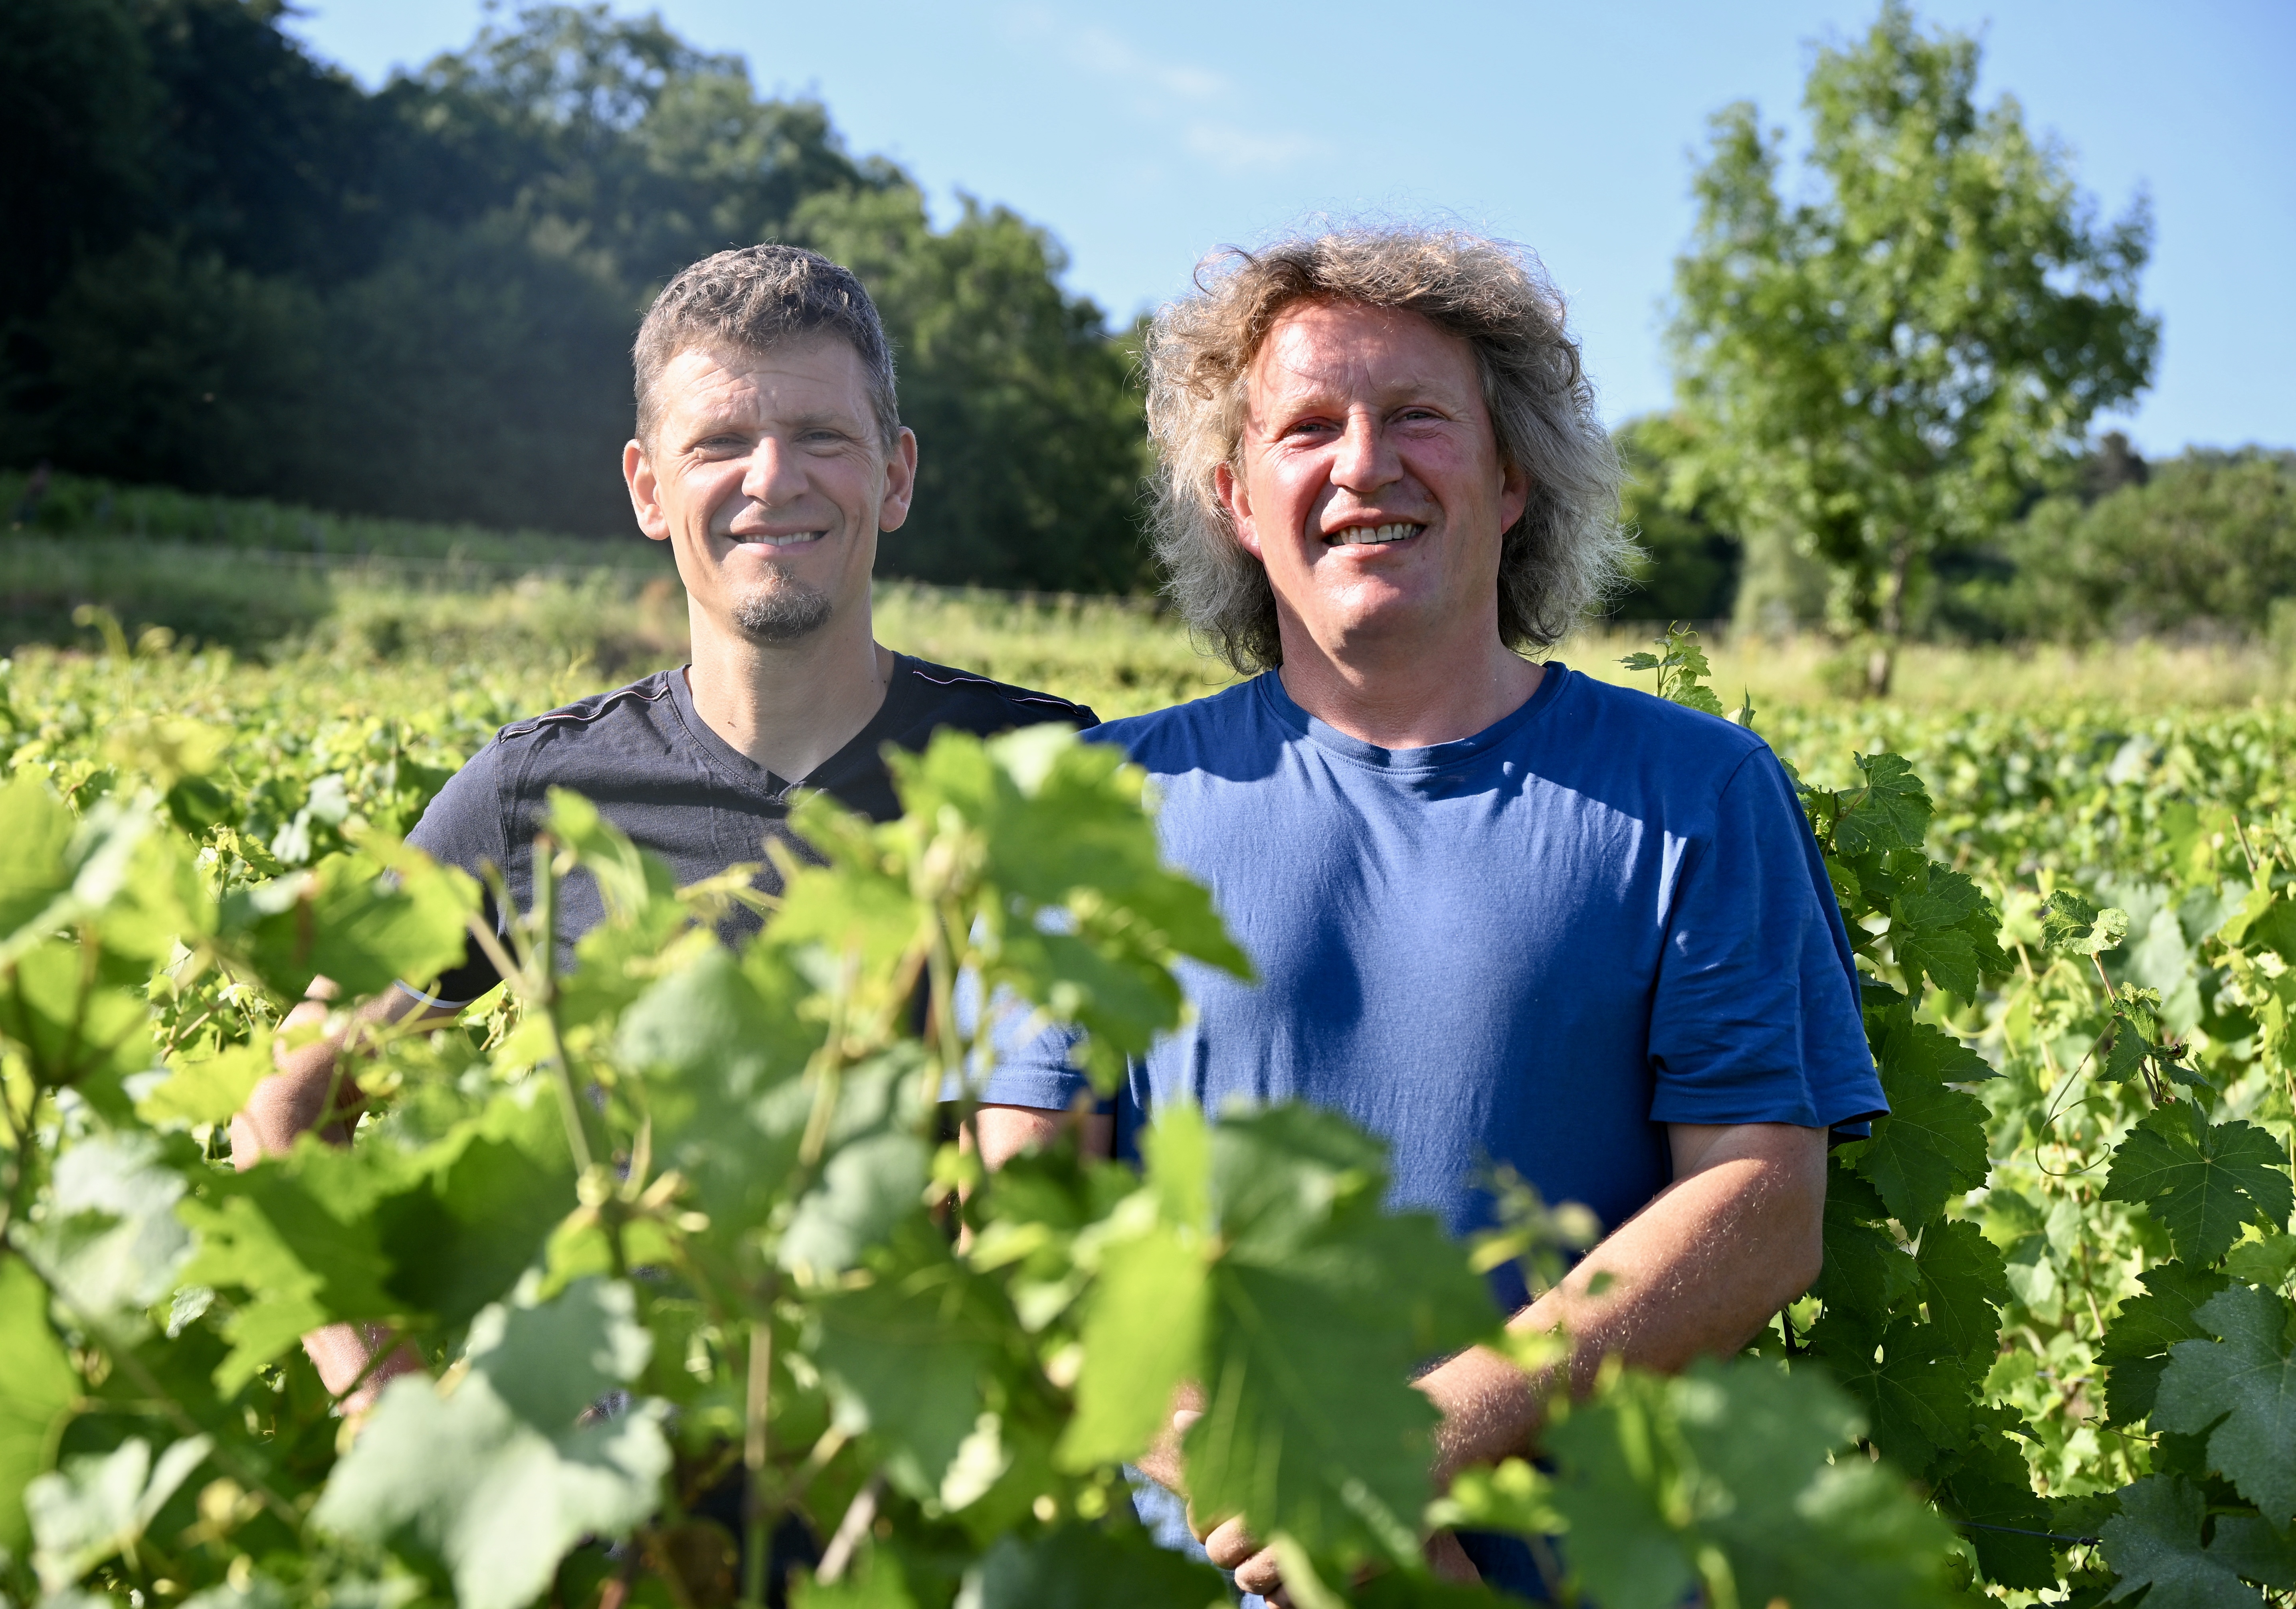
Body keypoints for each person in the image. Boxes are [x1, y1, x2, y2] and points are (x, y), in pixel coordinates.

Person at [967, 229, 1884, 1604]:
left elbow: (1762, 1204)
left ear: (1513, 477)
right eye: (1306, 429)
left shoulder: (1697, 793)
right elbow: (1026, 1215)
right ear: (1231, 494)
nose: (1362, 467)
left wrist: (1430, 1442)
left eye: (1418, 419)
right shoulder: (1097, 806)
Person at [233, 244, 1097, 1405]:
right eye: (721, 444)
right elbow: (284, 1115)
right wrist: (387, 1405)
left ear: (895, 475)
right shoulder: (534, 795)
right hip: (633, 1542)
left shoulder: (1040, 769)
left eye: (823, 438)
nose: (774, 479)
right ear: (648, 488)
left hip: (931, 1532)